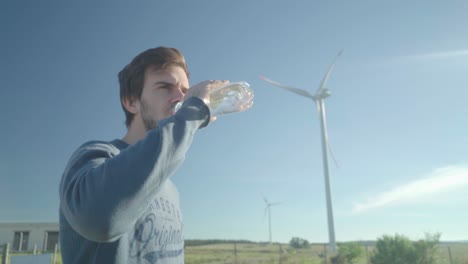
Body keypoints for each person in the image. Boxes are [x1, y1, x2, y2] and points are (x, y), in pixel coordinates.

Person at [59, 46, 230, 264]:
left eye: (186, 92)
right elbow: (101, 219)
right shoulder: (97, 156)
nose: (180, 98)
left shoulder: (172, 189)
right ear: (131, 102)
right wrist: (193, 113)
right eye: (165, 87)